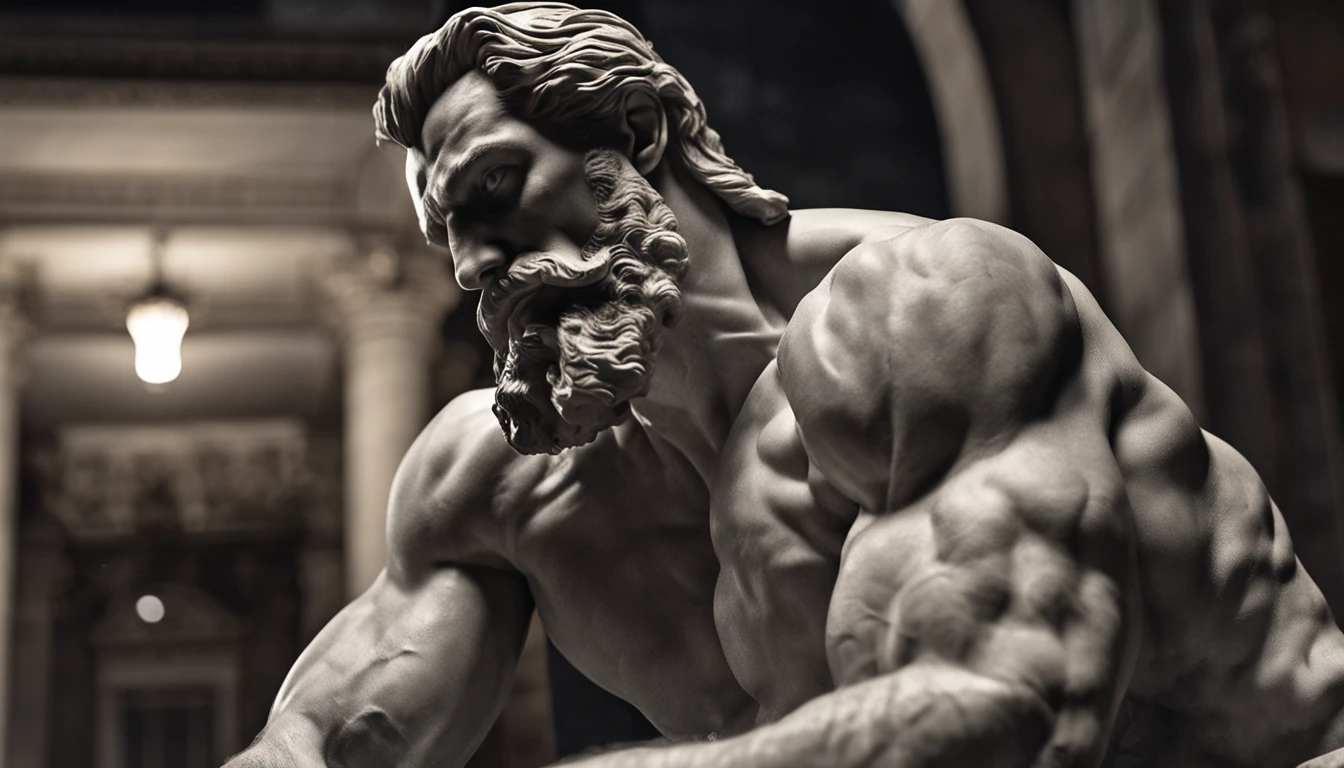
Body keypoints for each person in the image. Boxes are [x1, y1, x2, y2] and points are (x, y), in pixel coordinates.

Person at [224, 4, 1344, 766]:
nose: (476, 266)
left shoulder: (931, 308)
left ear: (641, 132)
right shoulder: (507, 484)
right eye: (449, 232)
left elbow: (1008, 714)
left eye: (498, 188)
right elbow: (323, 739)